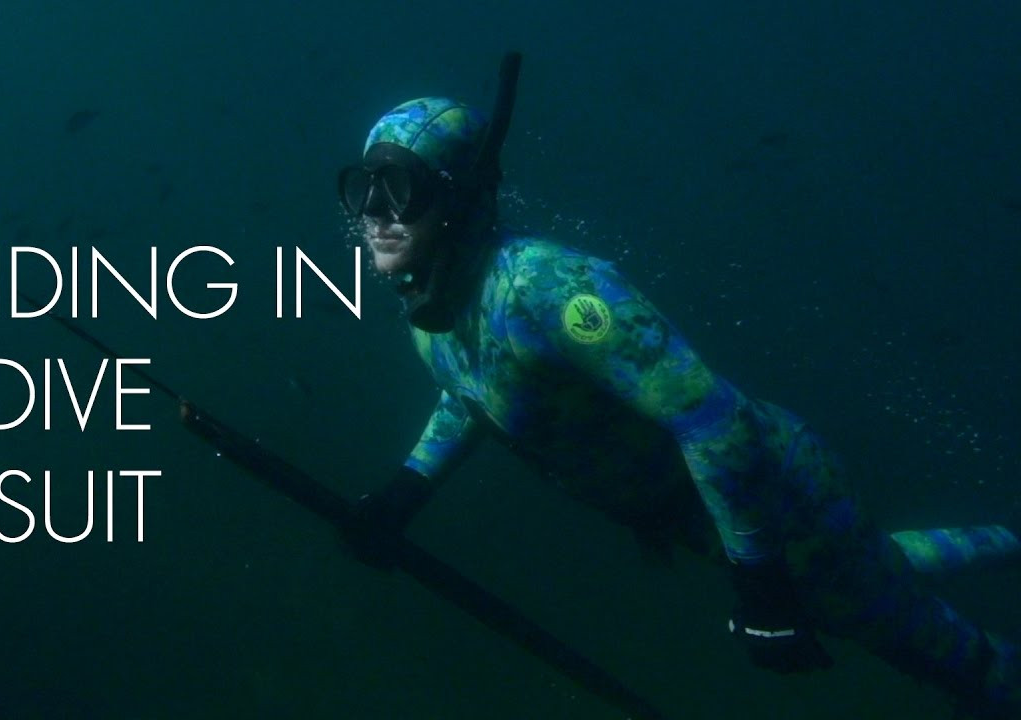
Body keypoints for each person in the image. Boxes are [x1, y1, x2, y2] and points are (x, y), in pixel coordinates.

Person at [337, 56, 1020, 718]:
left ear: (458, 192)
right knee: (883, 566)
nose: (374, 212)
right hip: (714, 523)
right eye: (360, 188)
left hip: (782, 499)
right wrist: (407, 491)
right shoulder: (434, 317)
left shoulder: (544, 290)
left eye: (398, 187)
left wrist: (761, 581)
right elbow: (471, 391)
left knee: (926, 644)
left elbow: (714, 421)